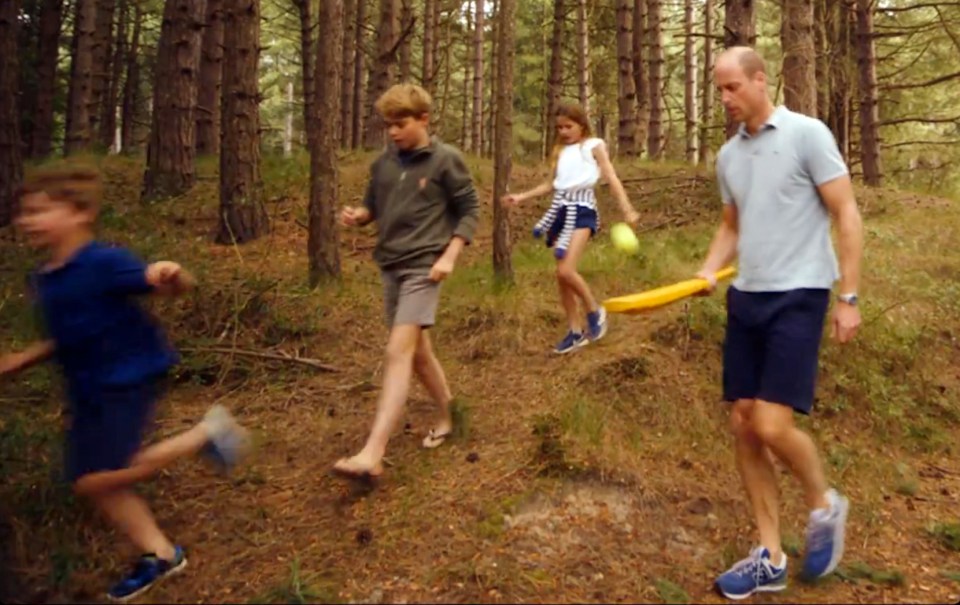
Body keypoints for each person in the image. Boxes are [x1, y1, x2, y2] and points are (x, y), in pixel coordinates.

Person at [0, 165, 251, 602]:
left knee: (103, 474)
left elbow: (166, 284)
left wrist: (171, 274)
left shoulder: (104, 262)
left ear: (79, 213)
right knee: (89, 478)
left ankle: (206, 433)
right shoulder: (45, 278)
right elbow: (68, 335)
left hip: (127, 376)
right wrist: (20, 361)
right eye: (25, 213)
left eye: (40, 211)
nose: (28, 221)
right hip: (87, 387)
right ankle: (161, 554)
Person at [696, 47, 864, 599]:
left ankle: (824, 506)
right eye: (719, 89)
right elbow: (731, 225)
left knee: (771, 426)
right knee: (743, 424)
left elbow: (846, 211)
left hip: (801, 292)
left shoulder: (807, 134)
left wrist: (850, 296)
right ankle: (768, 555)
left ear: (760, 79)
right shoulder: (727, 157)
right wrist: (708, 269)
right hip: (747, 297)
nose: (725, 99)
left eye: (732, 87)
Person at [333, 83, 479, 481]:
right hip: (391, 266)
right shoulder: (384, 164)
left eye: (401, 124)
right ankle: (452, 413)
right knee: (417, 352)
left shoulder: (446, 160)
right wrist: (359, 216)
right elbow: (374, 205)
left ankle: (372, 452)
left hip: (424, 267)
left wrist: (449, 256)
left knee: (397, 351)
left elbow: (469, 209)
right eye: (388, 125)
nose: (394, 132)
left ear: (424, 119)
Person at [503, 103, 640, 354]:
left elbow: (610, 176)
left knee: (566, 270)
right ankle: (575, 331)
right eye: (559, 127)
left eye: (569, 126)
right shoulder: (560, 152)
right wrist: (521, 197)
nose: (564, 131)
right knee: (561, 276)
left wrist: (627, 208)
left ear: (582, 125)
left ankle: (595, 311)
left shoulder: (593, 145)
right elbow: (550, 184)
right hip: (560, 212)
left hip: (584, 211)